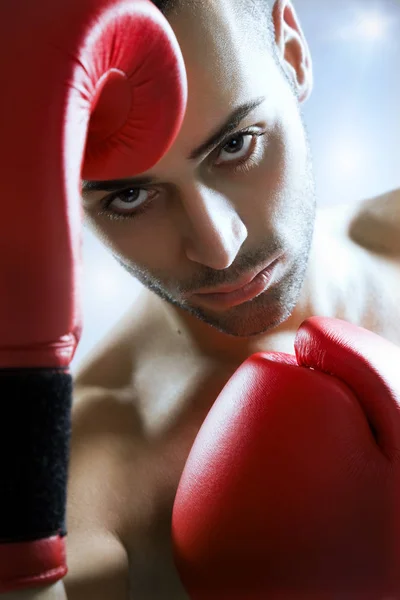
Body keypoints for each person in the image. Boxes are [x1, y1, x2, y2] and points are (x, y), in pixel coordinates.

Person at [9, 0, 399, 598]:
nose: (219, 247)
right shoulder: (85, 498)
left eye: (237, 144)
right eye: (131, 198)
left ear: (291, 53)